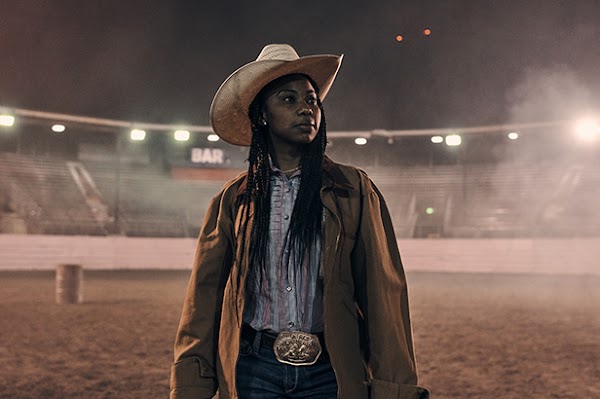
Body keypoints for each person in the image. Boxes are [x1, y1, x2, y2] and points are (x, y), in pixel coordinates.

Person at [170, 44, 429, 399]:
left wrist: (393, 388)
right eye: (288, 100)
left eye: (311, 100)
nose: (306, 108)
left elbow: (383, 295)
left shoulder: (353, 190)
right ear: (262, 115)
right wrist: (191, 385)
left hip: (330, 372)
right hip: (253, 370)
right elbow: (204, 298)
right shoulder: (234, 201)